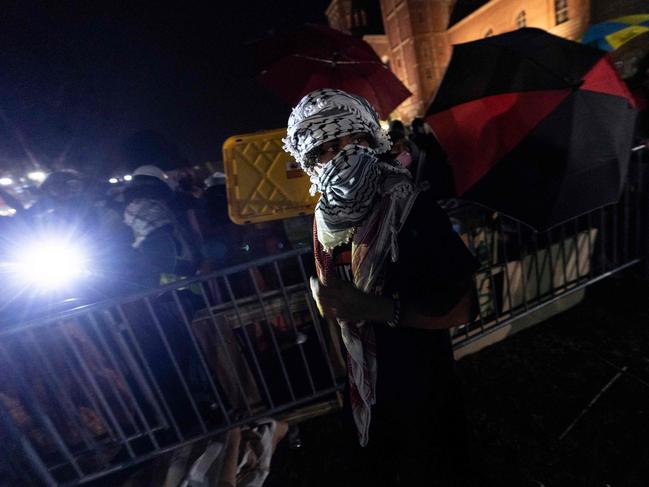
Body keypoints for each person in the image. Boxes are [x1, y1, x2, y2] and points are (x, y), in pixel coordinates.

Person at [283, 88, 479, 485]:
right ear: (310, 162)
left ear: (372, 138)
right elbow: (337, 312)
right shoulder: (324, 223)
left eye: (354, 139)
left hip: (423, 389)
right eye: (326, 148)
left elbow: (463, 307)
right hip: (364, 390)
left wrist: (373, 308)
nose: (345, 155)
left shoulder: (410, 209)